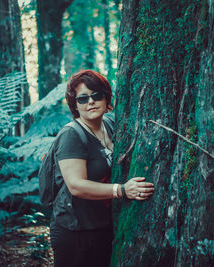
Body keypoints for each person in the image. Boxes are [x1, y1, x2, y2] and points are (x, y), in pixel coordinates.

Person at [49, 70, 154, 267]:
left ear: (106, 98)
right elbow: (76, 186)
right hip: (74, 232)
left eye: (97, 95)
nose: (91, 102)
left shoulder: (111, 123)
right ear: (75, 105)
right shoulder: (71, 135)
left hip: (102, 227)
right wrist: (122, 190)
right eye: (83, 98)